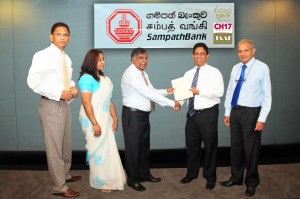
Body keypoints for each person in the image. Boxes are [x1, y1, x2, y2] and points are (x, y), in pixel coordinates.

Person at [27, 22, 81, 197]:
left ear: (69, 38)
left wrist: (73, 89)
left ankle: (64, 175)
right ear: (51, 36)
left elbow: (67, 80)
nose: (63, 37)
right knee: (54, 148)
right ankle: (59, 187)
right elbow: (33, 81)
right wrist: (59, 93)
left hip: (64, 105)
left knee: (66, 144)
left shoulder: (66, 58)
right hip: (51, 105)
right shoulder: (42, 55)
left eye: (66, 35)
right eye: (59, 34)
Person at [121, 47, 181, 192]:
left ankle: (144, 174)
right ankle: (132, 180)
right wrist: (172, 103)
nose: (144, 61)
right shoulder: (131, 74)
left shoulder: (143, 74)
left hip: (142, 116)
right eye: (141, 58)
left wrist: (167, 92)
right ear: (133, 59)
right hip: (133, 116)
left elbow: (152, 91)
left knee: (143, 147)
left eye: (146, 58)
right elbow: (148, 93)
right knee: (133, 149)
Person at [220, 39, 272, 197]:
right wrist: (227, 112)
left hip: (252, 113)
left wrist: (262, 118)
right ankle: (236, 178)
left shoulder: (262, 67)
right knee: (236, 148)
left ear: (253, 51)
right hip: (235, 112)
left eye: (246, 50)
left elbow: (267, 96)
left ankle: (251, 182)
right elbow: (230, 91)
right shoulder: (236, 68)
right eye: (240, 51)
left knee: (251, 150)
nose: (242, 54)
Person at [78, 49, 126, 193]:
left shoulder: (106, 79)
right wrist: (94, 123)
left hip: (106, 118)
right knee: (98, 151)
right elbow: (86, 103)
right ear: (91, 61)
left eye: (103, 59)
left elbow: (109, 101)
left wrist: (115, 118)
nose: (103, 62)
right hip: (92, 120)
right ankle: (100, 181)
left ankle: (109, 178)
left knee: (108, 150)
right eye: (99, 59)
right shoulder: (86, 78)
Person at [179, 43, 224, 190]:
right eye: (196, 53)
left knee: (210, 147)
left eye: (202, 53)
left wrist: (199, 91)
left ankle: (210, 177)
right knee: (192, 147)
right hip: (191, 115)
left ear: (207, 55)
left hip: (208, 115)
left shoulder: (214, 72)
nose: (199, 56)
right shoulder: (188, 74)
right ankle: (192, 173)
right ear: (193, 56)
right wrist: (178, 103)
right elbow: (184, 94)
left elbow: (219, 92)